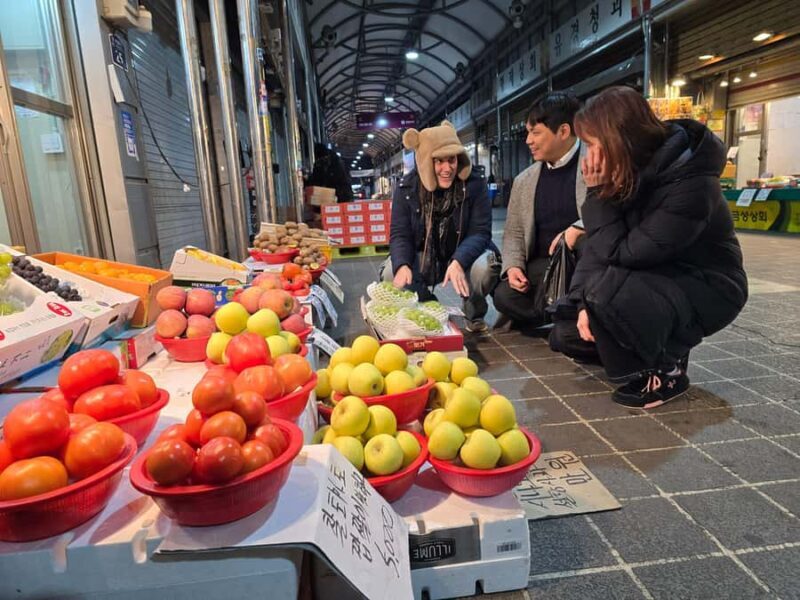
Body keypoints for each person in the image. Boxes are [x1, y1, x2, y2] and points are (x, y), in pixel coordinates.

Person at [549, 86, 748, 409]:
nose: (589, 157)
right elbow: (599, 249)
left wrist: (597, 194)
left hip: (709, 285)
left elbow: (628, 253)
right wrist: (582, 305)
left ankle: (668, 370)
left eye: (592, 144)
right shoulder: (628, 170)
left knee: (608, 296)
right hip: (654, 277)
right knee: (566, 333)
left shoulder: (691, 183)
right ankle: (641, 352)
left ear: (618, 140)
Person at [380, 120, 500, 333]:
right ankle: (426, 306)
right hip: (425, 257)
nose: (448, 169)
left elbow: (480, 232)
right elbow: (400, 234)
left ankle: (474, 312)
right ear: (426, 161)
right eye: (439, 161)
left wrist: (459, 260)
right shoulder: (406, 188)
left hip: (462, 254)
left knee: (484, 268)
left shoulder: (474, 183)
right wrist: (403, 264)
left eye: (452, 159)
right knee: (391, 272)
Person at [493, 92, 587, 331]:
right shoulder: (524, 180)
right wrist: (513, 266)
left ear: (563, 131)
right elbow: (514, 231)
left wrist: (576, 229)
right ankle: (559, 315)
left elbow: (610, 213)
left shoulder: (595, 163)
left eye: (535, 133)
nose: (528, 140)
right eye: (528, 133)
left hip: (580, 264)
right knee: (504, 295)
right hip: (541, 266)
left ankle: (561, 314)